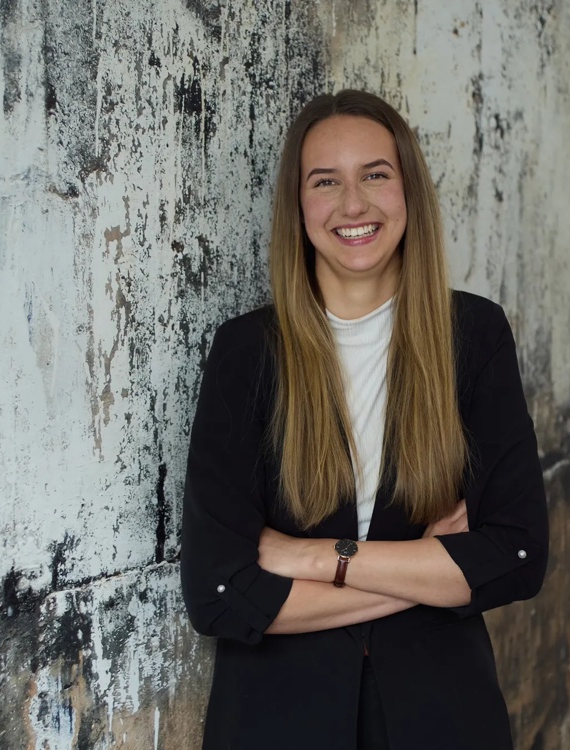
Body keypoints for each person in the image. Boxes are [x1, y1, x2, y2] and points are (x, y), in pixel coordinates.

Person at [180, 89, 548, 750]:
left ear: (409, 191)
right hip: (276, 723)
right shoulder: (247, 354)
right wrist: (430, 574)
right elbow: (218, 592)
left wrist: (311, 557)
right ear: (298, 205)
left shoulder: (473, 336)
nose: (353, 205)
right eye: (326, 181)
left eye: (375, 175)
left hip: (441, 718)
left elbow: (517, 557)